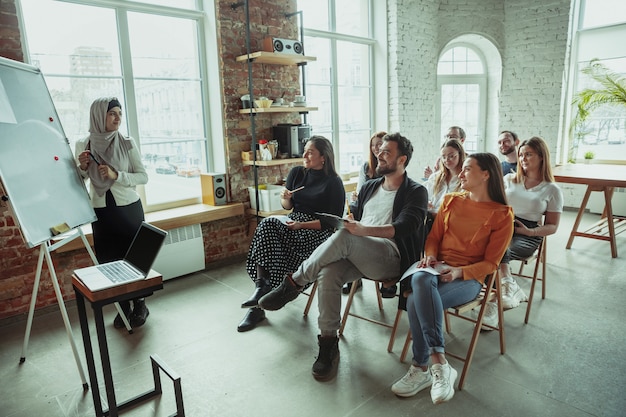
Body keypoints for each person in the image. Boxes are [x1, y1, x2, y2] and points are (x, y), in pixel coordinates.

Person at [258, 132, 428, 381]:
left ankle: (293, 283)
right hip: (360, 251)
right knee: (328, 273)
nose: (379, 154)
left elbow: (405, 227)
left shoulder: (416, 191)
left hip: (391, 257)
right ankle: (328, 344)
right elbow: (356, 220)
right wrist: (351, 223)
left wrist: (360, 230)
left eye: (386, 152)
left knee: (347, 236)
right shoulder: (370, 186)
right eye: (379, 150)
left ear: (402, 159)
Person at [391, 153, 513, 405]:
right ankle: (440, 363)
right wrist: (431, 256)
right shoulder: (451, 201)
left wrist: (459, 272)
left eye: (467, 169)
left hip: (468, 278)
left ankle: (422, 367)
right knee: (421, 280)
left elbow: (491, 264)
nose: (460, 173)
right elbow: (433, 237)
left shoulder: (502, 215)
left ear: (486, 174)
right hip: (435, 268)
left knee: (415, 299)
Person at [239, 136, 345, 332]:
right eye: (304, 150)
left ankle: (259, 304)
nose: (304, 155)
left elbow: (332, 222)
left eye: (310, 152)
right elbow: (287, 207)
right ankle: (262, 289)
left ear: (324, 157)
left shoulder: (334, 183)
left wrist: (302, 225)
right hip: (293, 221)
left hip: (317, 231)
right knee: (267, 224)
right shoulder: (297, 173)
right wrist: (285, 198)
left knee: (273, 232)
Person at [75, 97, 150, 328]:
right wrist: (82, 168)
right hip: (101, 212)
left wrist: (117, 175)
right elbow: (78, 182)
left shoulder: (127, 142)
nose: (118, 118)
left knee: (134, 259)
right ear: (99, 116)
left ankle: (140, 304)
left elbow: (143, 176)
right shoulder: (83, 144)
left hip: (129, 209)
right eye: (112, 114)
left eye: (119, 113)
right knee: (109, 261)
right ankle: (122, 306)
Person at [482, 137, 563, 324]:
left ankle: (496, 299)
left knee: (498, 250)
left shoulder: (552, 189)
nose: (523, 158)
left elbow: (553, 226)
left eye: (528, 154)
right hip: (502, 224)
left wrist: (530, 232)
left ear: (542, 157)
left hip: (529, 231)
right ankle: (505, 287)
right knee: (484, 246)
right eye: (521, 154)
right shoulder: (509, 179)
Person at [344, 131, 390, 296]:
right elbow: (360, 190)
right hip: (365, 207)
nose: (376, 148)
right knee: (348, 221)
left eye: (380, 144)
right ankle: (353, 277)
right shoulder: (366, 166)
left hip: (381, 211)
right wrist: (357, 196)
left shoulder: (389, 168)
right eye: (373, 145)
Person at [424, 139, 466, 214]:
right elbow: (427, 197)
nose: (447, 160)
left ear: (460, 155)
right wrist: (426, 202)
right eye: (443, 157)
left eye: (451, 156)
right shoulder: (435, 177)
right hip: (432, 219)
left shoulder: (465, 179)